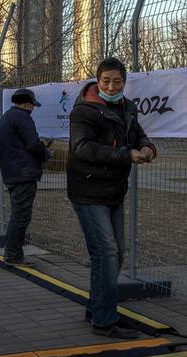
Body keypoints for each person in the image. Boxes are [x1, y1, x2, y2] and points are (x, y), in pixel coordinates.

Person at [67, 57, 156, 339]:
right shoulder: (84, 110)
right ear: (97, 80)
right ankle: (105, 321)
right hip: (88, 190)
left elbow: (138, 135)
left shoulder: (128, 108)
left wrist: (147, 147)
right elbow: (82, 147)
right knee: (106, 253)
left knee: (114, 254)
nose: (111, 85)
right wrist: (125, 154)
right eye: (106, 80)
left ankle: (96, 307)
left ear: (124, 82)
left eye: (117, 81)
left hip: (114, 191)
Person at [0, 89, 51, 267]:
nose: (33, 108)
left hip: (11, 172)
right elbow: (33, 143)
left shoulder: (6, 117)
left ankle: (12, 253)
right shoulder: (23, 117)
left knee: (17, 214)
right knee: (21, 216)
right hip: (23, 173)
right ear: (27, 104)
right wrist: (45, 153)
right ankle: (13, 255)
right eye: (33, 105)